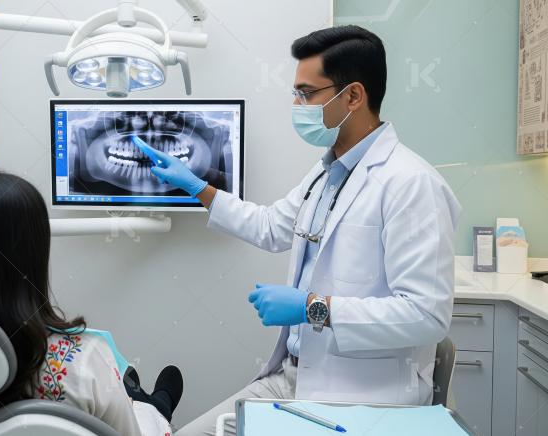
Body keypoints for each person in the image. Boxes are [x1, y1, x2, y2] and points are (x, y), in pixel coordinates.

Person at [138, 25, 461, 436]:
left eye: (306, 94)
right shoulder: (328, 172)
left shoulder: (411, 184)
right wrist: (197, 187)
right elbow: (272, 226)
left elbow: (426, 315)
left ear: (354, 96)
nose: (296, 103)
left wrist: (313, 307)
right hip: (296, 378)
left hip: (361, 396)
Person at [0, 169, 183, 436]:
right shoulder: (83, 362)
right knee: (146, 409)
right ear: (34, 255)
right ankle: (157, 403)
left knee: (129, 387)